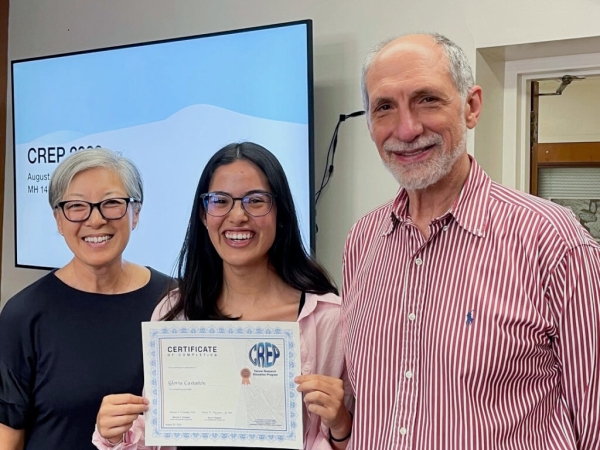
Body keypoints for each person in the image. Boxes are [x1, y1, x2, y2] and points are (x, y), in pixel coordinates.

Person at [341, 33, 600, 449]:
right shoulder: (363, 241)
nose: (406, 129)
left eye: (427, 99)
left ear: (472, 106)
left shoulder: (553, 241)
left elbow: (594, 417)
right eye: (384, 107)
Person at [93, 142, 354, 450]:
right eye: (220, 201)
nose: (238, 216)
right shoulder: (176, 312)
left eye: (255, 201)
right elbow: (156, 438)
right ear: (204, 215)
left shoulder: (328, 319)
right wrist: (113, 434)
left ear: (280, 213)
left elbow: (364, 438)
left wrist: (341, 425)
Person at [0, 148, 172, 450]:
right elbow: (8, 434)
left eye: (112, 204)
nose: (95, 219)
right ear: (58, 219)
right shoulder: (24, 314)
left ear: (136, 213)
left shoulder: (174, 303)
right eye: (77, 206)